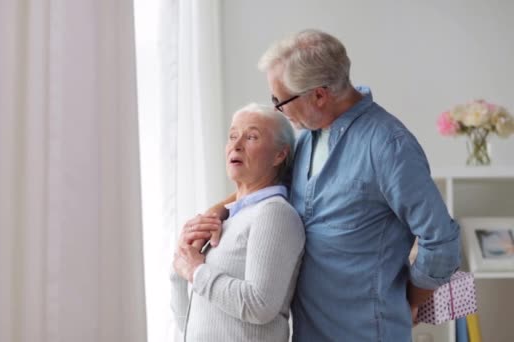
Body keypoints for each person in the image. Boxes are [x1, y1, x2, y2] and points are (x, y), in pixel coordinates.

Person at [186, 29, 461, 341]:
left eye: (281, 100)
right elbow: (260, 191)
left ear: (318, 95)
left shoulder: (389, 146)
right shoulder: (306, 141)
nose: (278, 109)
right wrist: (213, 215)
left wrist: (409, 301)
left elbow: (441, 243)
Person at [170, 103, 305, 342]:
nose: (236, 144)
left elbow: (259, 305)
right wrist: (180, 263)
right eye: (232, 136)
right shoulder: (229, 219)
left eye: (251, 136)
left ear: (279, 154)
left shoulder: (274, 214)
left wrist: (196, 271)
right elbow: (189, 324)